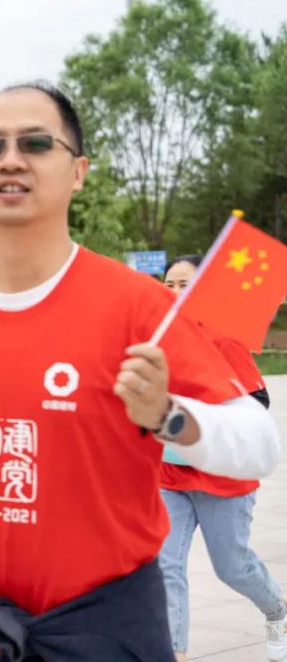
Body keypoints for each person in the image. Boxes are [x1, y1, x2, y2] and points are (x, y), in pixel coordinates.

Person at [0, 81, 281, 662]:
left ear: (78, 172)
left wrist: (168, 416)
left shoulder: (138, 306)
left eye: (36, 143)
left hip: (109, 621)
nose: (10, 159)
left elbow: (259, 444)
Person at [159, 255, 287, 662]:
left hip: (223, 478)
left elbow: (258, 401)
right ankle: (173, 652)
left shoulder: (222, 338)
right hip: (169, 475)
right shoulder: (155, 335)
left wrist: (198, 418)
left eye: (185, 284)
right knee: (165, 567)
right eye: (168, 284)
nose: (174, 292)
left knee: (232, 566)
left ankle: (278, 612)